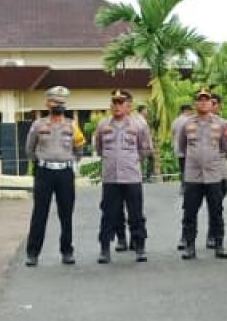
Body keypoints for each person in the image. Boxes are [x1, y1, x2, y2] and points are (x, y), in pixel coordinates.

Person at [94, 89, 154, 263]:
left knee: (136, 213)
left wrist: (132, 160)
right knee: (108, 213)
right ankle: (105, 248)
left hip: (131, 176)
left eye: (121, 103)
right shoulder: (103, 125)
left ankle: (140, 246)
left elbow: (145, 148)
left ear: (129, 106)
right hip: (110, 177)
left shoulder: (138, 125)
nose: (117, 106)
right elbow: (99, 148)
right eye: (114, 103)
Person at [23, 89, 81, 266]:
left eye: (62, 102)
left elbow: (78, 150)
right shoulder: (38, 125)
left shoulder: (72, 126)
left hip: (64, 173)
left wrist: (67, 162)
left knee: (66, 214)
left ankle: (67, 251)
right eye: (55, 102)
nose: (59, 106)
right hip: (44, 173)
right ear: (48, 104)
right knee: (40, 213)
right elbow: (29, 149)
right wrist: (41, 163)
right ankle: (33, 253)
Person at [175, 88, 227, 259]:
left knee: (216, 211)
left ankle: (219, 245)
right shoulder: (186, 124)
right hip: (193, 175)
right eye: (200, 100)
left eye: (206, 100)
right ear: (195, 103)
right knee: (190, 212)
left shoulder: (222, 124)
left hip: (214, 175)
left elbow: (226, 147)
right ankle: (190, 246)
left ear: (211, 103)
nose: (203, 103)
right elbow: (182, 146)